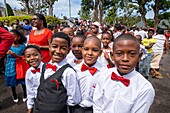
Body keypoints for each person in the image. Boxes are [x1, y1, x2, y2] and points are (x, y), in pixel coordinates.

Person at [93, 34, 155, 113]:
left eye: (132, 54)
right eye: (119, 53)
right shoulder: (104, 74)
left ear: (139, 57)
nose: (125, 59)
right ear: (112, 56)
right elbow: (97, 103)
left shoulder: (144, 89)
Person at [33, 32, 81, 113]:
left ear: (68, 50)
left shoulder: (68, 72)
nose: (58, 51)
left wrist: (58, 105)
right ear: (49, 46)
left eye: (63, 48)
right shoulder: (44, 66)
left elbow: (74, 98)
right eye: (54, 46)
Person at [74, 36, 103, 113]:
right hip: (76, 108)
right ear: (82, 50)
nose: (90, 53)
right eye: (86, 49)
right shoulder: (75, 70)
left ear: (100, 53)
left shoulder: (104, 72)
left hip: (95, 109)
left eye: (95, 50)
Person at [5, 29, 27, 103]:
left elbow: (24, 57)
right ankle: (14, 95)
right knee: (12, 81)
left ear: (18, 37)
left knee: (23, 81)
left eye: (13, 36)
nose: (11, 38)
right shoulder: (7, 45)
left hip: (20, 65)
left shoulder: (22, 46)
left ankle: (25, 94)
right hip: (10, 65)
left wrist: (15, 55)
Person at [24, 45, 44, 113]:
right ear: (25, 60)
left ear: (41, 56)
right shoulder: (28, 73)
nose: (32, 58)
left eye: (35, 55)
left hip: (50, 101)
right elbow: (30, 91)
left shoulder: (49, 69)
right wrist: (30, 106)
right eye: (28, 56)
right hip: (37, 101)